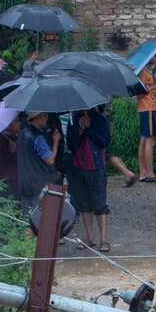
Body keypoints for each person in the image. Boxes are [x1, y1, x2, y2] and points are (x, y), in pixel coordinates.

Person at [67, 105, 112, 252]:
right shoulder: (73, 121)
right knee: (83, 204)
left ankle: (104, 239)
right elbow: (71, 146)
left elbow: (104, 142)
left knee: (100, 204)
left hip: (96, 167)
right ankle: (89, 237)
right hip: (78, 167)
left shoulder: (101, 120)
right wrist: (80, 130)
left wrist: (89, 129)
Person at [17, 110, 60, 214]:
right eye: (45, 115)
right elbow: (50, 160)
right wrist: (56, 141)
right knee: (39, 217)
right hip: (38, 183)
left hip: (24, 181)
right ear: (38, 117)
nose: (47, 118)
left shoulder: (22, 133)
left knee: (27, 217)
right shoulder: (37, 137)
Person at [136, 66, 156, 182]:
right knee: (149, 140)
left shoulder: (148, 72)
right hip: (148, 109)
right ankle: (149, 174)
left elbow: (154, 95)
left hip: (149, 108)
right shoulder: (142, 71)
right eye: (154, 55)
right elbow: (142, 92)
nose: (155, 57)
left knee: (144, 140)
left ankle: (143, 173)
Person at [0, 114, 21, 200]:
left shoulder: (15, 138)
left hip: (16, 180)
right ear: (8, 124)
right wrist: (13, 152)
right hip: (5, 181)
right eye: (16, 121)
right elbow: (0, 162)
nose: (19, 123)